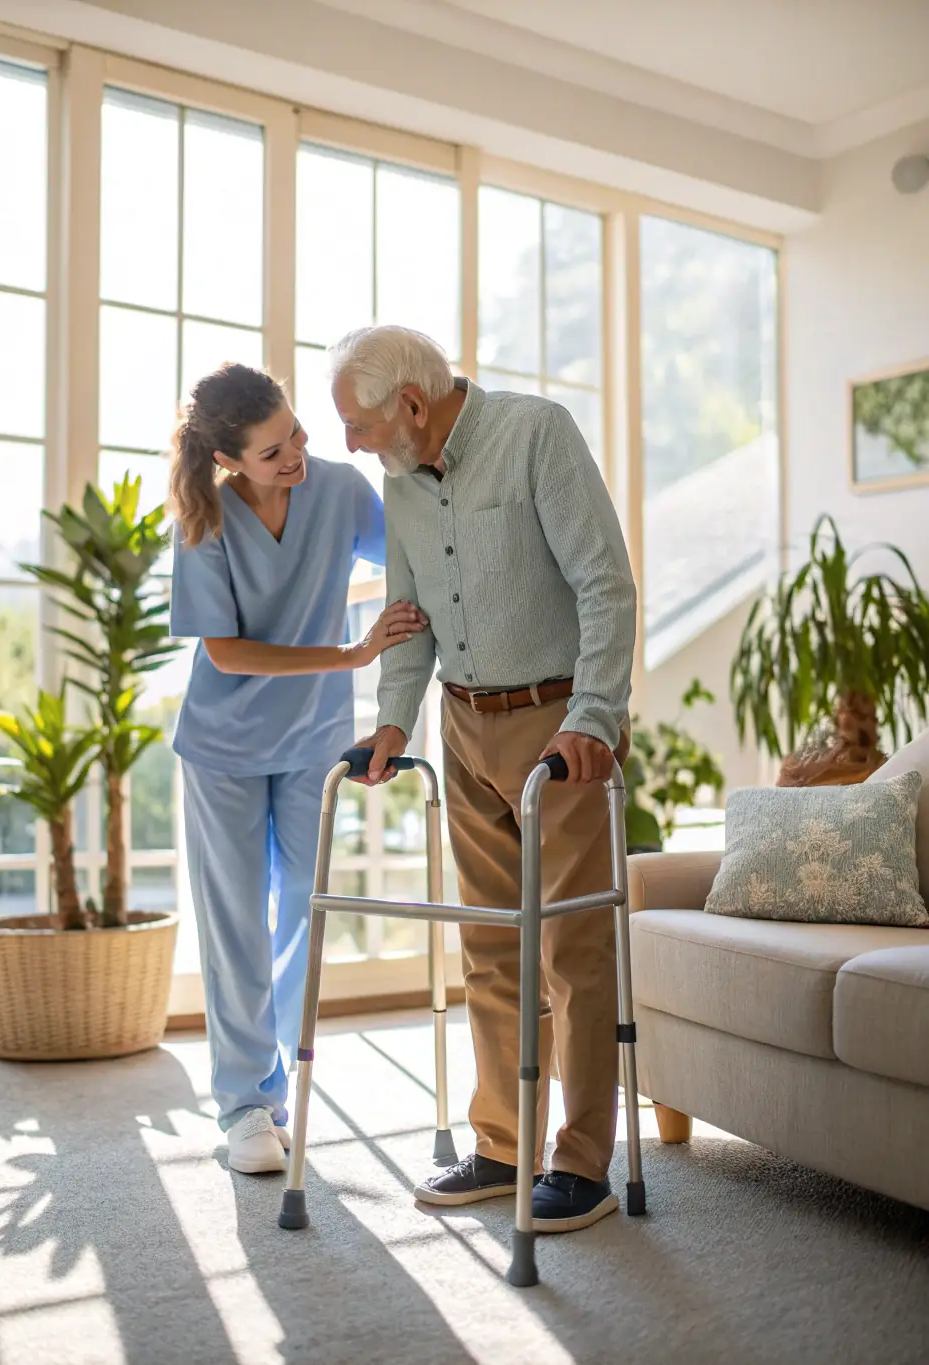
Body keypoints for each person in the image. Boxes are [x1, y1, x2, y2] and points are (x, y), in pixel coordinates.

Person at [330, 326, 637, 1234]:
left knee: (571, 949)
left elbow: (605, 585)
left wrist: (594, 717)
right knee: (488, 947)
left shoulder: (538, 434)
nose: (349, 440)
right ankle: (503, 1145)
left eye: (357, 422)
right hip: (464, 726)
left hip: (558, 729)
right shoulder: (399, 479)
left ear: (412, 406)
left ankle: (582, 1163)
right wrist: (393, 723)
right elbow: (410, 614)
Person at [168, 362, 427, 1176]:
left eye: (297, 431)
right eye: (274, 449)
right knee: (236, 922)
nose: (298, 454)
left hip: (312, 739)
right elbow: (225, 650)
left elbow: (418, 545)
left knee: (303, 914)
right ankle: (245, 1103)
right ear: (228, 460)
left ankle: (280, 1083)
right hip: (223, 746)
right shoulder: (204, 520)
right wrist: (350, 653)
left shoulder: (341, 491)